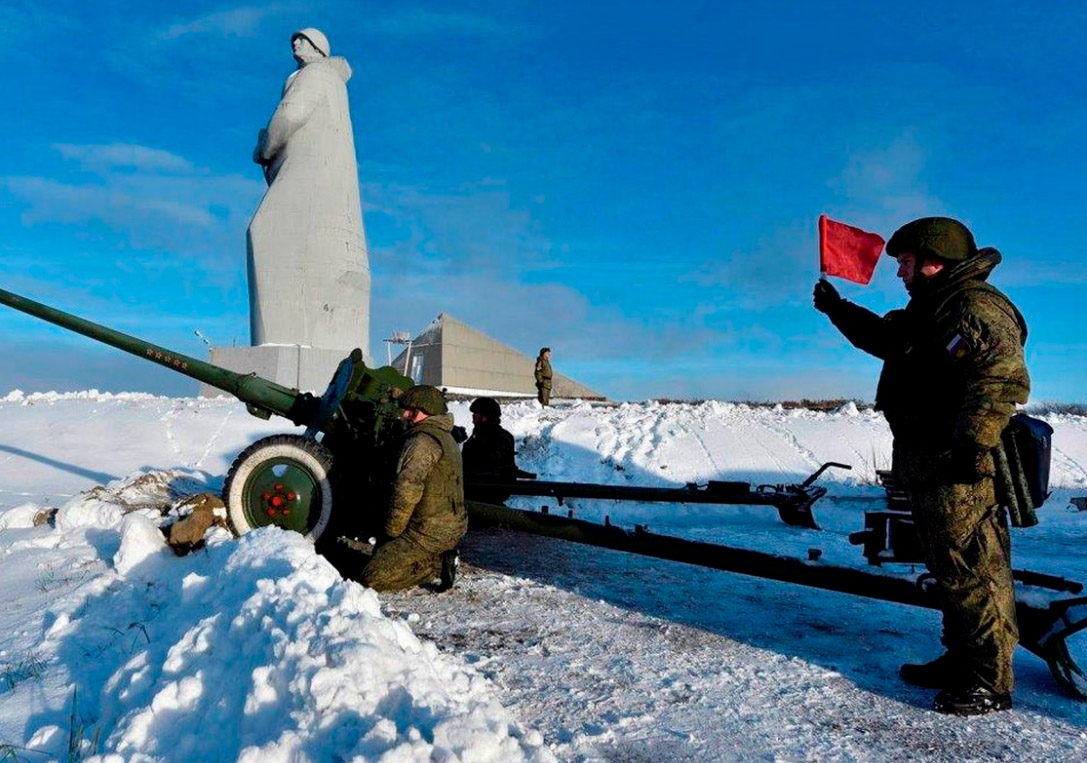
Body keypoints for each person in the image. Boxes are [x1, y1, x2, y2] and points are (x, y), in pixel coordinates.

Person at [813, 217, 1029, 716]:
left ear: (936, 261)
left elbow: (1001, 380)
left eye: (906, 263)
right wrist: (838, 309)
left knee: (973, 569)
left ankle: (988, 680)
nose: (900, 273)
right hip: (930, 461)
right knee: (948, 568)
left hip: (959, 465)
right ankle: (961, 659)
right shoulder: (929, 310)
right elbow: (884, 339)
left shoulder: (974, 308)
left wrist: (970, 447)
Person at [358, 385, 467, 592]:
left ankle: (439, 563)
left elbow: (407, 491)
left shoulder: (422, 442)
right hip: (443, 525)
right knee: (381, 553)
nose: (406, 415)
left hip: (429, 532)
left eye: (412, 411)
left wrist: (393, 531)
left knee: (371, 577)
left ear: (426, 412)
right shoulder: (444, 435)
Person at [462, 397, 519, 504]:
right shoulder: (480, 433)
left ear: (485, 417)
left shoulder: (496, 436)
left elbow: (486, 462)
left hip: (487, 489)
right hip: (478, 487)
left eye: (477, 413)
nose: (473, 416)